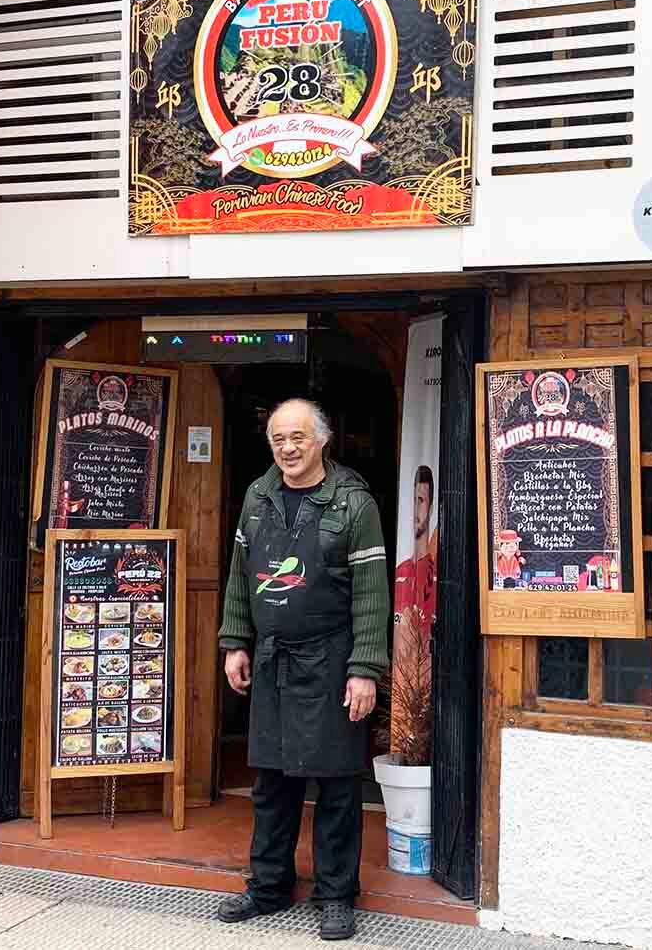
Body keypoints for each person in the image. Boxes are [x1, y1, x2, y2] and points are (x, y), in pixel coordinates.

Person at [216, 398, 390, 942]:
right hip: (272, 658)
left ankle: (336, 895)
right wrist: (234, 641)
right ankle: (268, 886)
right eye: (278, 440)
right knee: (270, 781)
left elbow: (371, 594)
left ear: (322, 440)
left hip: (332, 660)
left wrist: (364, 668)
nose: (287, 448)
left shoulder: (353, 503)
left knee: (337, 786)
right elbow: (241, 576)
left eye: (297, 438)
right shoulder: (258, 497)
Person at [392, 464, 437, 634]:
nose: (415, 509)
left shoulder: (437, 574)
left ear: (431, 507)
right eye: (413, 500)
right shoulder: (400, 571)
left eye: (421, 500)